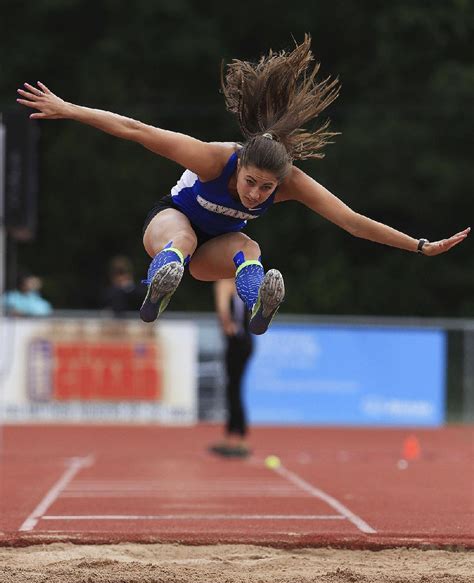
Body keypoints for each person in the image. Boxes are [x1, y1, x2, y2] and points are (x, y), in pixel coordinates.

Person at [16, 35, 470, 334]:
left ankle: (258, 305)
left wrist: (419, 245)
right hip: (170, 224)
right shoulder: (214, 158)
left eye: (266, 190)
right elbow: (137, 130)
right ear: (240, 165)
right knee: (182, 236)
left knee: (249, 248)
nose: (256, 194)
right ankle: (160, 284)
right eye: (251, 183)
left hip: (211, 254)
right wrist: (70, 108)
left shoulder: (290, 181)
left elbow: (351, 222)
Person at [209, 278, 254, 458]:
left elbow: (222, 310)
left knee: (233, 388)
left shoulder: (223, 284)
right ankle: (233, 436)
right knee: (234, 387)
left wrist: (228, 327)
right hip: (246, 341)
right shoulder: (245, 283)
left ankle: (239, 437)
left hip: (236, 342)